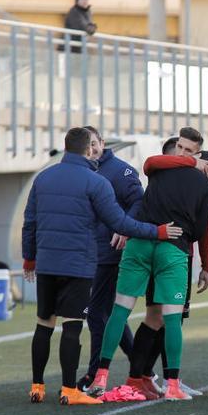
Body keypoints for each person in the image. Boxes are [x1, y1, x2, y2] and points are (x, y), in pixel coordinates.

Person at [23, 127, 182, 406]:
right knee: (74, 326)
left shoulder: (43, 177)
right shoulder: (95, 181)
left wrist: (29, 259)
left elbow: (30, 223)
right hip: (80, 264)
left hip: (48, 264)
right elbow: (120, 222)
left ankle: (37, 386)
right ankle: (70, 389)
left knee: (44, 324)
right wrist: (156, 232)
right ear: (88, 149)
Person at [89, 149, 208, 402]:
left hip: (140, 242)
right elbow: (201, 229)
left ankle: (100, 376)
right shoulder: (207, 186)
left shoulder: (161, 168)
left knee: (119, 311)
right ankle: (172, 386)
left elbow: (150, 163)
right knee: (172, 319)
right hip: (173, 248)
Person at [131, 127, 208, 399]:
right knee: (156, 317)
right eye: (180, 149)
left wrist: (206, 265)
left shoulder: (204, 186)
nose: (182, 154)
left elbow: (207, 224)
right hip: (159, 252)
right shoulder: (164, 170)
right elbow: (152, 162)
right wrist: (194, 161)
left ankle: (155, 377)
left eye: (189, 151)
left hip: (183, 255)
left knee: (170, 319)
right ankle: (144, 377)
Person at [77, 126, 142, 392]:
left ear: (102, 143)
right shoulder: (81, 171)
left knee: (96, 314)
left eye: (94, 143)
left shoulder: (120, 170)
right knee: (111, 314)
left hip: (110, 254)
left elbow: (139, 201)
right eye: (86, 145)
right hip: (89, 255)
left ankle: (94, 376)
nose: (91, 149)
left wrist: (123, 228)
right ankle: (142, 369)